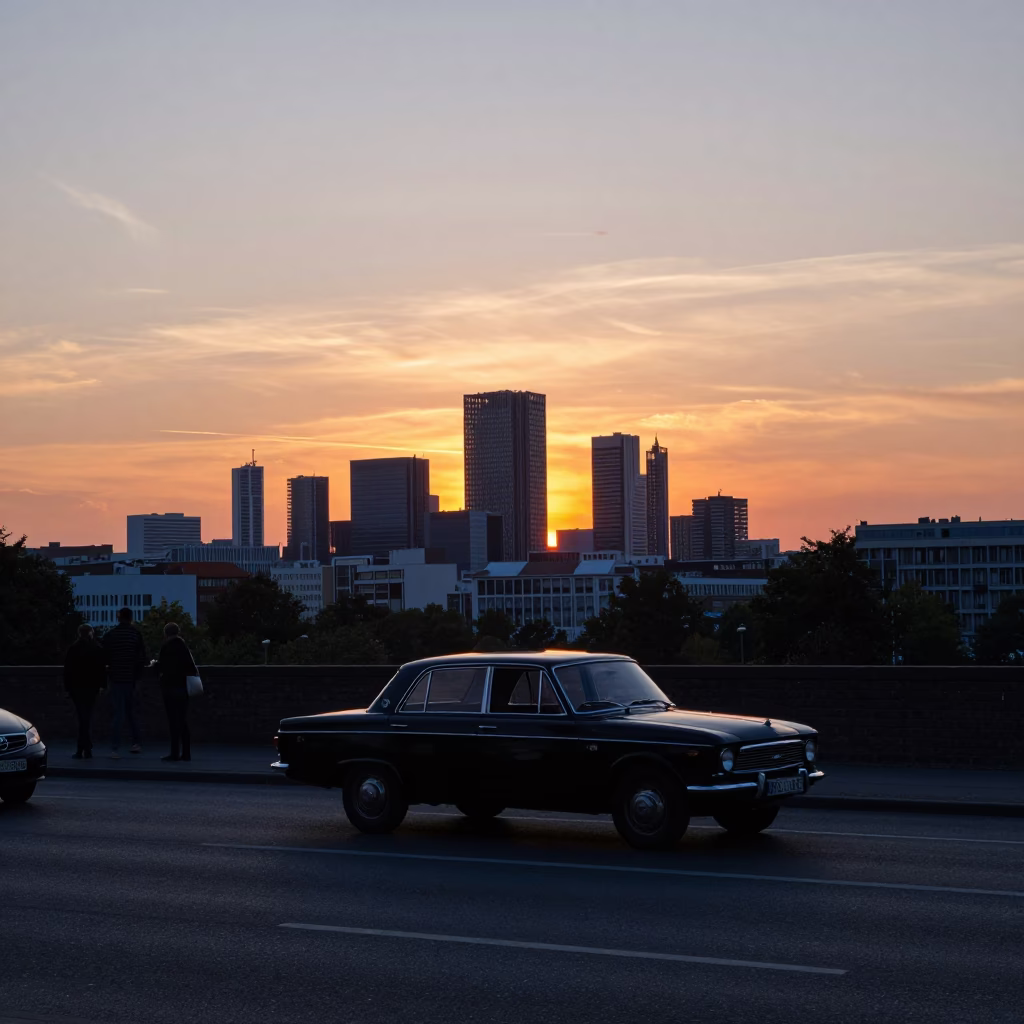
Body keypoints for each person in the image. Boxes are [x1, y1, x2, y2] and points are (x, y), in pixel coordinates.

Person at [101, 606, 147, 759]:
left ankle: (114, 748)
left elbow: (104, 658)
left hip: (116, 679)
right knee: (132, 713)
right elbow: (142, 659)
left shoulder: (111, 635)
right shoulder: (136, 634)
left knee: (118, 714)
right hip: (132, 679)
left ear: (118, 617)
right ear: (131, 618)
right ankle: (136, 743)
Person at [63, 623, 107, 758]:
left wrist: (68, 688)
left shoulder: (73, 649)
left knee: (82, 718)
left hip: (77, 688)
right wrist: (102, 685)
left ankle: (82, 748)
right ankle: (86, 747)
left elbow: (68, 671)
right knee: (86, 717)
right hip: (91, 687)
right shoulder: (97, 648)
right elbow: (101, 670)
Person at [155, 622, 196, 762]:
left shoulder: (166, 647)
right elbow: (191, 667)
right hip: (183, 687)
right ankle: (186, 753)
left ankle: (174, 753)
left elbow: (161, 667)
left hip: (170, 687)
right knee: (183, 720)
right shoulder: (184, 647)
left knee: (173, 721)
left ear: (166, 633)